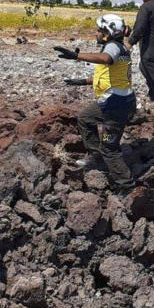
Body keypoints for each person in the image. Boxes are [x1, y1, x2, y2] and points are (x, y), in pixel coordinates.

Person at [55, 14, 136, 192]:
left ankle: (127, 186)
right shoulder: (118, 48)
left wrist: (76, 56)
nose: (96, 33)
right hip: (114, 102)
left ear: (108, 33)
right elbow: (108, 76)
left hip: (116, 106)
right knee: (85, 118)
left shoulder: (113, 47)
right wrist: (83, 81)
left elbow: (107, 59)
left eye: (99, 30)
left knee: (110, 146)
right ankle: (98, 157)